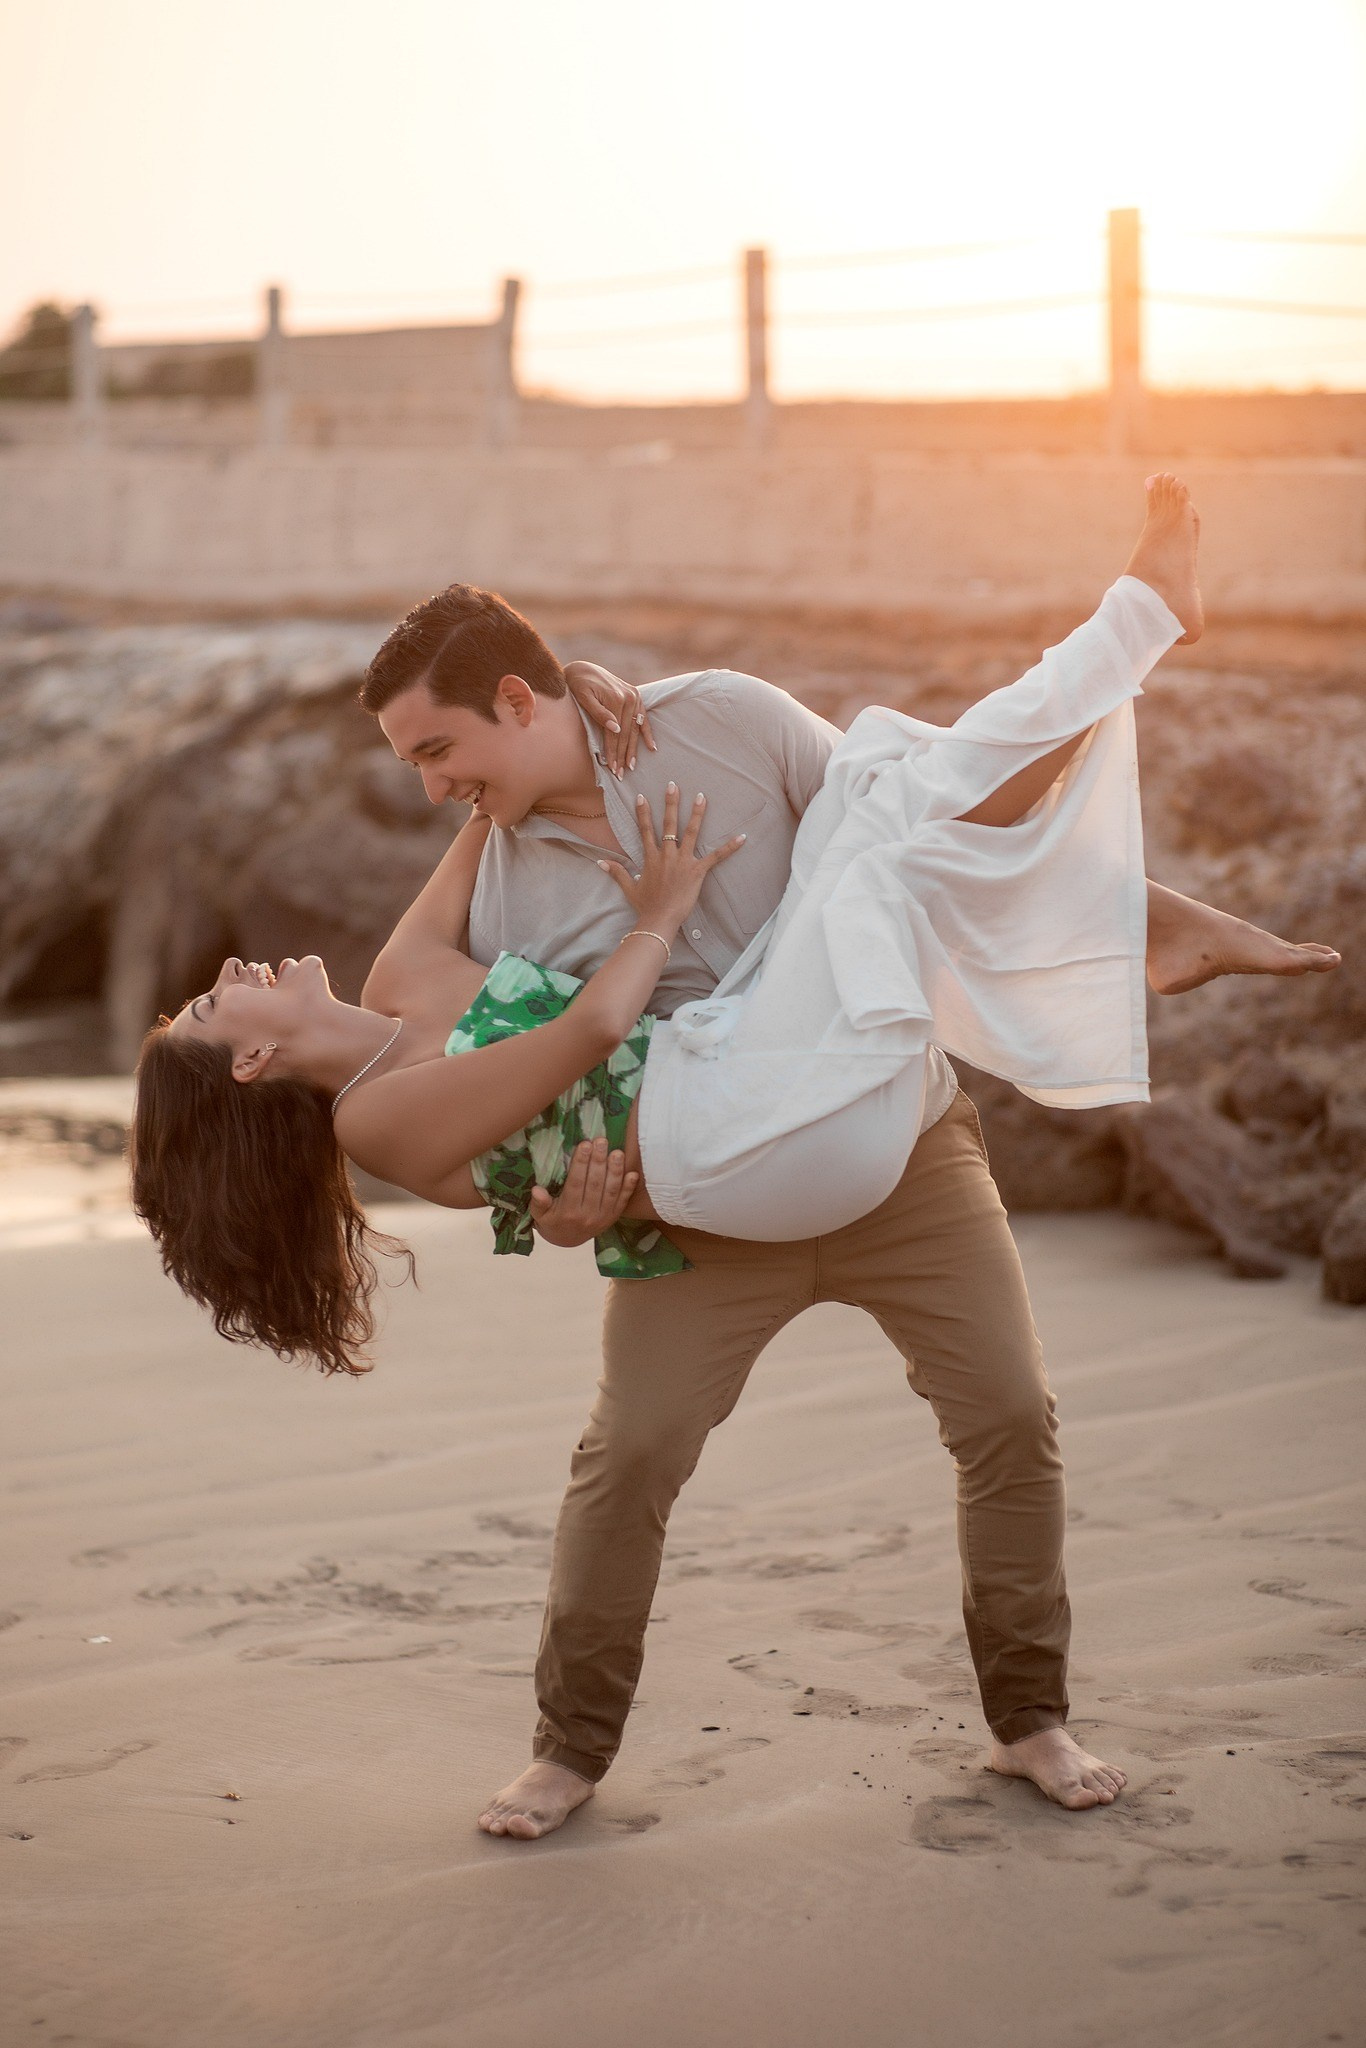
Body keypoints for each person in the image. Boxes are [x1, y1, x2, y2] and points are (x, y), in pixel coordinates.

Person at [132, 477, 1338, 1835]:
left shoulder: (716, 722)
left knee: (1008, 1412)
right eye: (418, 763)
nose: (430, 788)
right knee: (631, 1456)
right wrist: (573, 1210)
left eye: (439, 749)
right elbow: (526, 1128)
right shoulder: (495, 899)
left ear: (519, 699)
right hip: (697, 1202)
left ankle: (1030, 1719)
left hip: (889, 1141)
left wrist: (584, 695)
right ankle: (569, 1748)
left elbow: (935, 839)